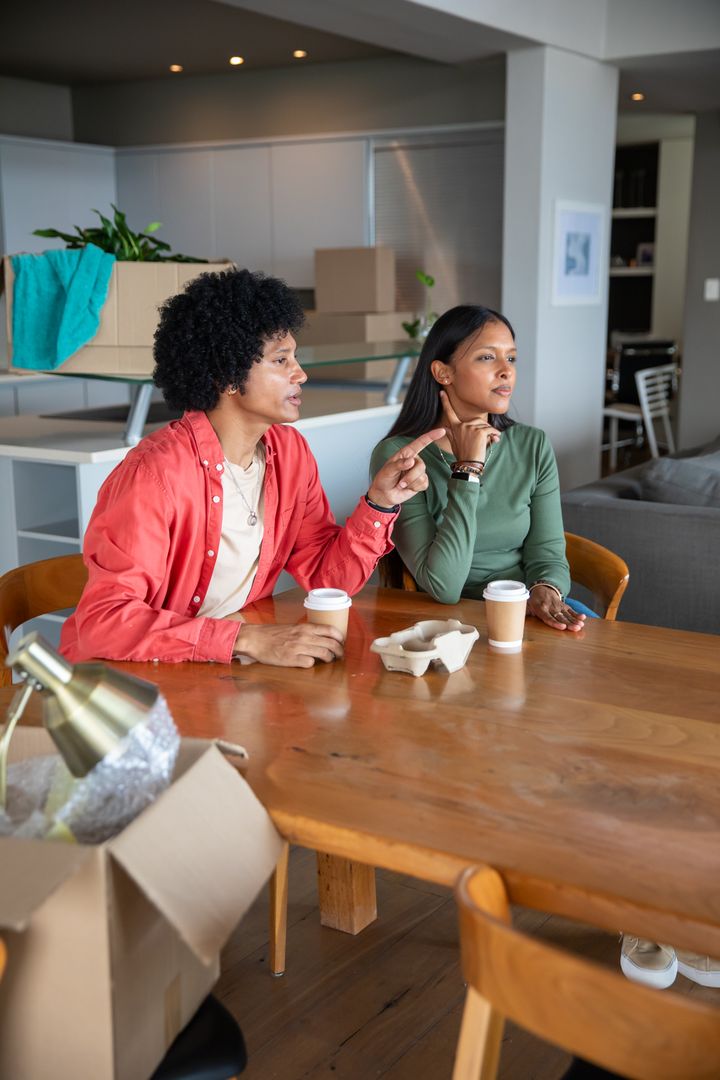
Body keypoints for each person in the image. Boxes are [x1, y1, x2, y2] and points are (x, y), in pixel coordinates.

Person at [60, 268, 443, 667]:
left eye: (295, 357)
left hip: (224, 674)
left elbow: (328, 581)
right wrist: (246, 639)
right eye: (281, 360)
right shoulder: (154, 476)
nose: (301, 374)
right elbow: (104, 623)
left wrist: (380, 503)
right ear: (227, 377)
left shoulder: (289, 454)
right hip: (137, 680)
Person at [370, 303, 589, 630]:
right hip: (449, 622)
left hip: (527, 612)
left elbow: (547, 552)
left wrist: (546, 589)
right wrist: (467, 469)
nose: (506, 371)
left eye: (511, 358)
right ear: (443, 372)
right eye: (487, 357)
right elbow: (444, 587)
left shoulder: (532, 445)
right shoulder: (402, 456)